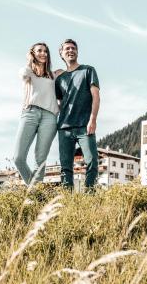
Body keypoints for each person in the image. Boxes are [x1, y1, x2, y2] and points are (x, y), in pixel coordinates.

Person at [55, 39, 100, 190]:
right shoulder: (60, 79)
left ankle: (90, 195)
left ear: (77, 51)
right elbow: (60, 103)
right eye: (67, 48)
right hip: (64, 128)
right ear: (61, 54)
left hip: (84, 125)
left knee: (92, 161)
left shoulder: (88, 70)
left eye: (73, 48)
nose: (70, 50)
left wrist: (92, 119)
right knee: (65, 167)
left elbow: (96, 96)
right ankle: (67, 199)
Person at [14, 42, 61, 186]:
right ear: (32, 53)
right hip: (30, 113)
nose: (43, 53)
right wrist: (30, 61)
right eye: (39, 51)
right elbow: (23, 73)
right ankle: (36, 190)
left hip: (50, 117)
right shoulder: (28, 72)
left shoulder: (54, 75)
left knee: (40, 160)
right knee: (18, 158)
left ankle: (35, 196)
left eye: (45, 51)